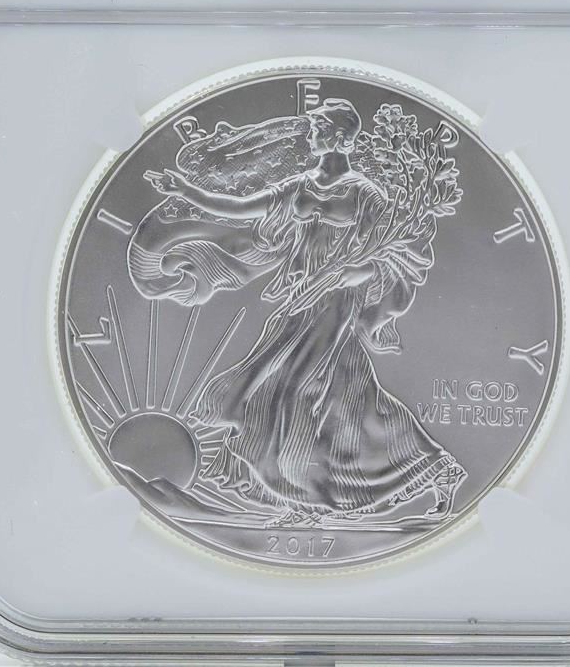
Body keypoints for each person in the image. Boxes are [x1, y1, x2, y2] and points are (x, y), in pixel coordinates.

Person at [146, 98, 466, 525]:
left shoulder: (366, 194)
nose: (310, 134)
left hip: (336, 304)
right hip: (300, 302)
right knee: (344, 398)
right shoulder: (299, 185)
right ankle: (426, 472)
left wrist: (355, 272)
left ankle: (308, 499)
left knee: (295, 392)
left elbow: (398, 254)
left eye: (317, 128)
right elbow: (240, 208)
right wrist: (185, 191)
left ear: (338, 137)